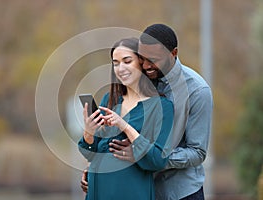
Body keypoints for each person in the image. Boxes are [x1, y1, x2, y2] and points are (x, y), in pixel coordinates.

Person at [81, 24, 213, 200]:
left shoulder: (197, 91)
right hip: (138, 186)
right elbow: (105, 145)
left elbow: (197, 152)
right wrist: (97, 168)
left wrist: (142, 154)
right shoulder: (140, 82)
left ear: (173, 53)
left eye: (154, 59)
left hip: (178, 191)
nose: (146, 65)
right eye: (142, 58)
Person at [78, 37, 174, 200]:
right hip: (97, 191)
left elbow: (158, 160)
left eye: (127, 61)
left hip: (131, 191)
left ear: (141, 63)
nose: (120, 68)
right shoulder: (110, 100)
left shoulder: (162, 106)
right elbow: (91, 154)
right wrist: (89, 132)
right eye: (116, 63)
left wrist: (125, 126)